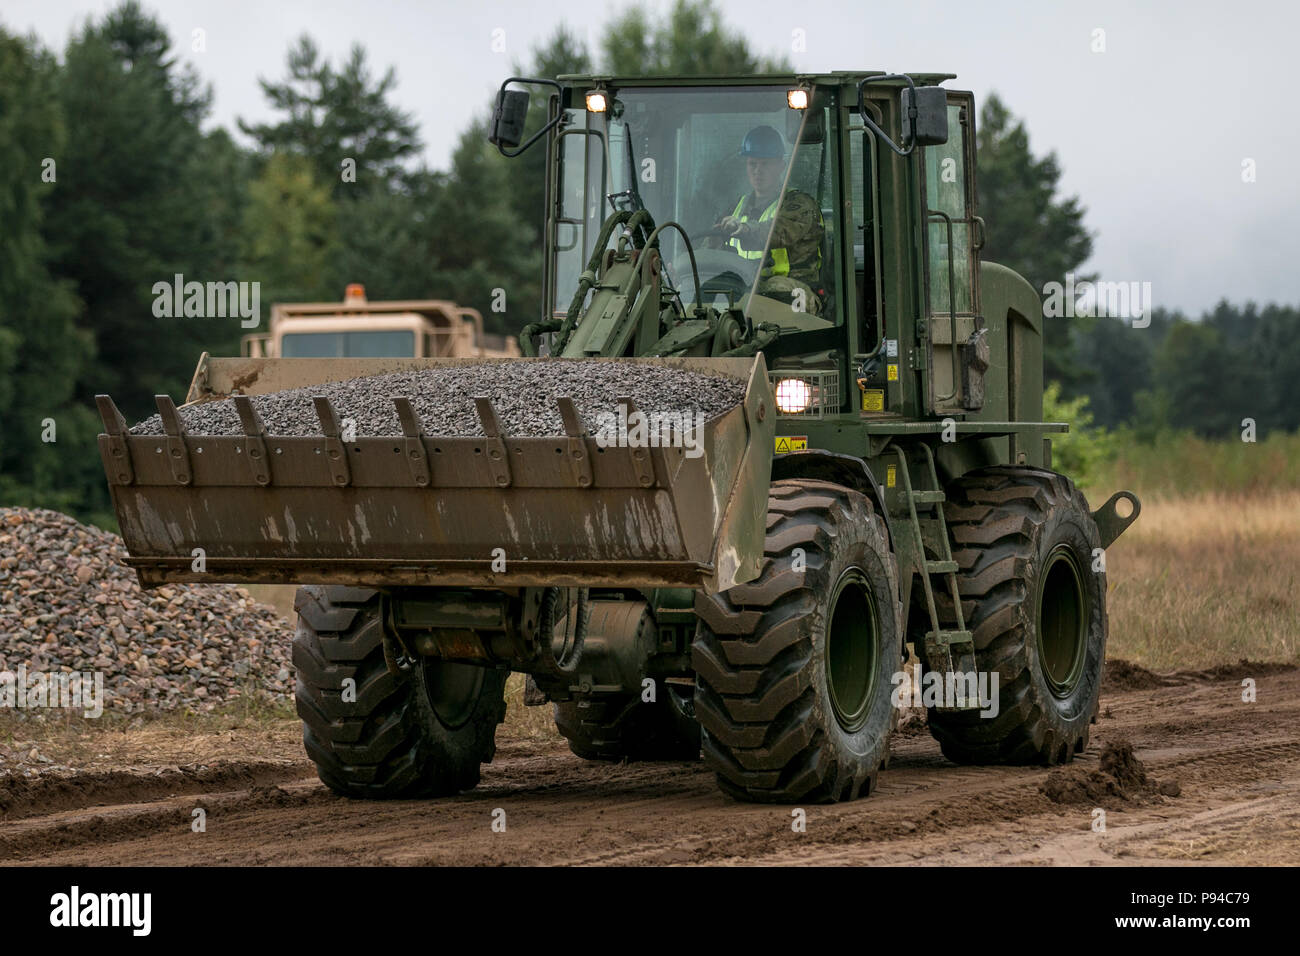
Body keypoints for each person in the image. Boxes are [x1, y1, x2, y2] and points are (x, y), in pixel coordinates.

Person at [712, 125, 825, 314]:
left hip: (794, 291)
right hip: (746, 289)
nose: (758, 171)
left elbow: (778, 232)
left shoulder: (799, 205)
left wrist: (745, 228)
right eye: (753, 164)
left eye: (765, 164)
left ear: (780, 166)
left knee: (774, 287)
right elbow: (713, 247)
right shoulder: (735, 207)